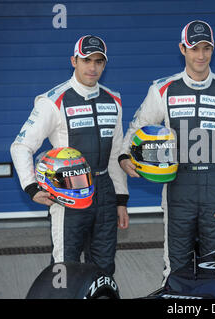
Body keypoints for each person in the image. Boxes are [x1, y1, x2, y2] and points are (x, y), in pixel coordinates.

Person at [119, 20, 215, 279]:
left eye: (206, 48)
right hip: (177, 182)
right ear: (183, 49)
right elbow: (139, 126)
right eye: (194, 48)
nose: (201, 55)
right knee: (176, 262)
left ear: (213, 49)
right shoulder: (162, 88)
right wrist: (125, 156)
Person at [10, 35, 129, 275]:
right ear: (73, 61)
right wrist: (31, 187)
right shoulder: (53, 100)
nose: (92, 67)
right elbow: (20, 146)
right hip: (67, 191)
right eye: (86, 60)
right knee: (66, 266)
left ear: (105, 65)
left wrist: (121, 200)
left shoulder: (113, 99)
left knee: (104, 266)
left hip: (104, 191)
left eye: (98, 61)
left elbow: (115, 151)